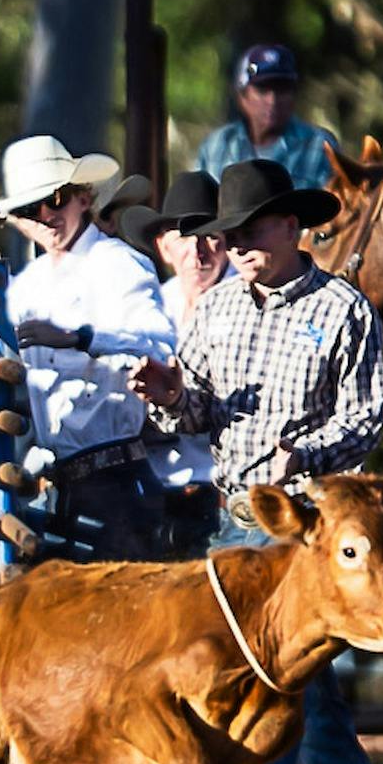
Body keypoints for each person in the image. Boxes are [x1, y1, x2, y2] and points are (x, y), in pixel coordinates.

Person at [130, 157, 383, 764]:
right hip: (233, 523)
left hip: (303, 532)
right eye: (230, 231)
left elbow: (366, 414)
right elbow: (197, 411)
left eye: (249, 229)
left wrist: (304, 452)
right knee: (255, 693)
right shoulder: (215, 309)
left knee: (297, 693)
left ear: (291, 226)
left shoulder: (341, 309)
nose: (238, 243)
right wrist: (167, 394)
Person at [0, 135, 175, 562]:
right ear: (16, 220)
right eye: (31, 209)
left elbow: (157, 344)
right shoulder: (28, 284)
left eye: (56, 200)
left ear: (84, 198)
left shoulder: (118, 263)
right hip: (60, 488)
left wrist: (80, 338)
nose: (46, 217)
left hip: (117, 481)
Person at [113, 170, 230, 557]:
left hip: (230, 495)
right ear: (164, 247)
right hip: (158, 493)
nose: (197, 252)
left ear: (228, 241)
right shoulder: (147, 307)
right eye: (184, 237)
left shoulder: (251, 306)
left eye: (209, 235)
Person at [196, 44, 339, 190]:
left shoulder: (320, 146)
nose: (272, 100)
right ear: (242, 97)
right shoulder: (216, 146)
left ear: (294, 95)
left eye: (282, 89)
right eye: (262, 89)